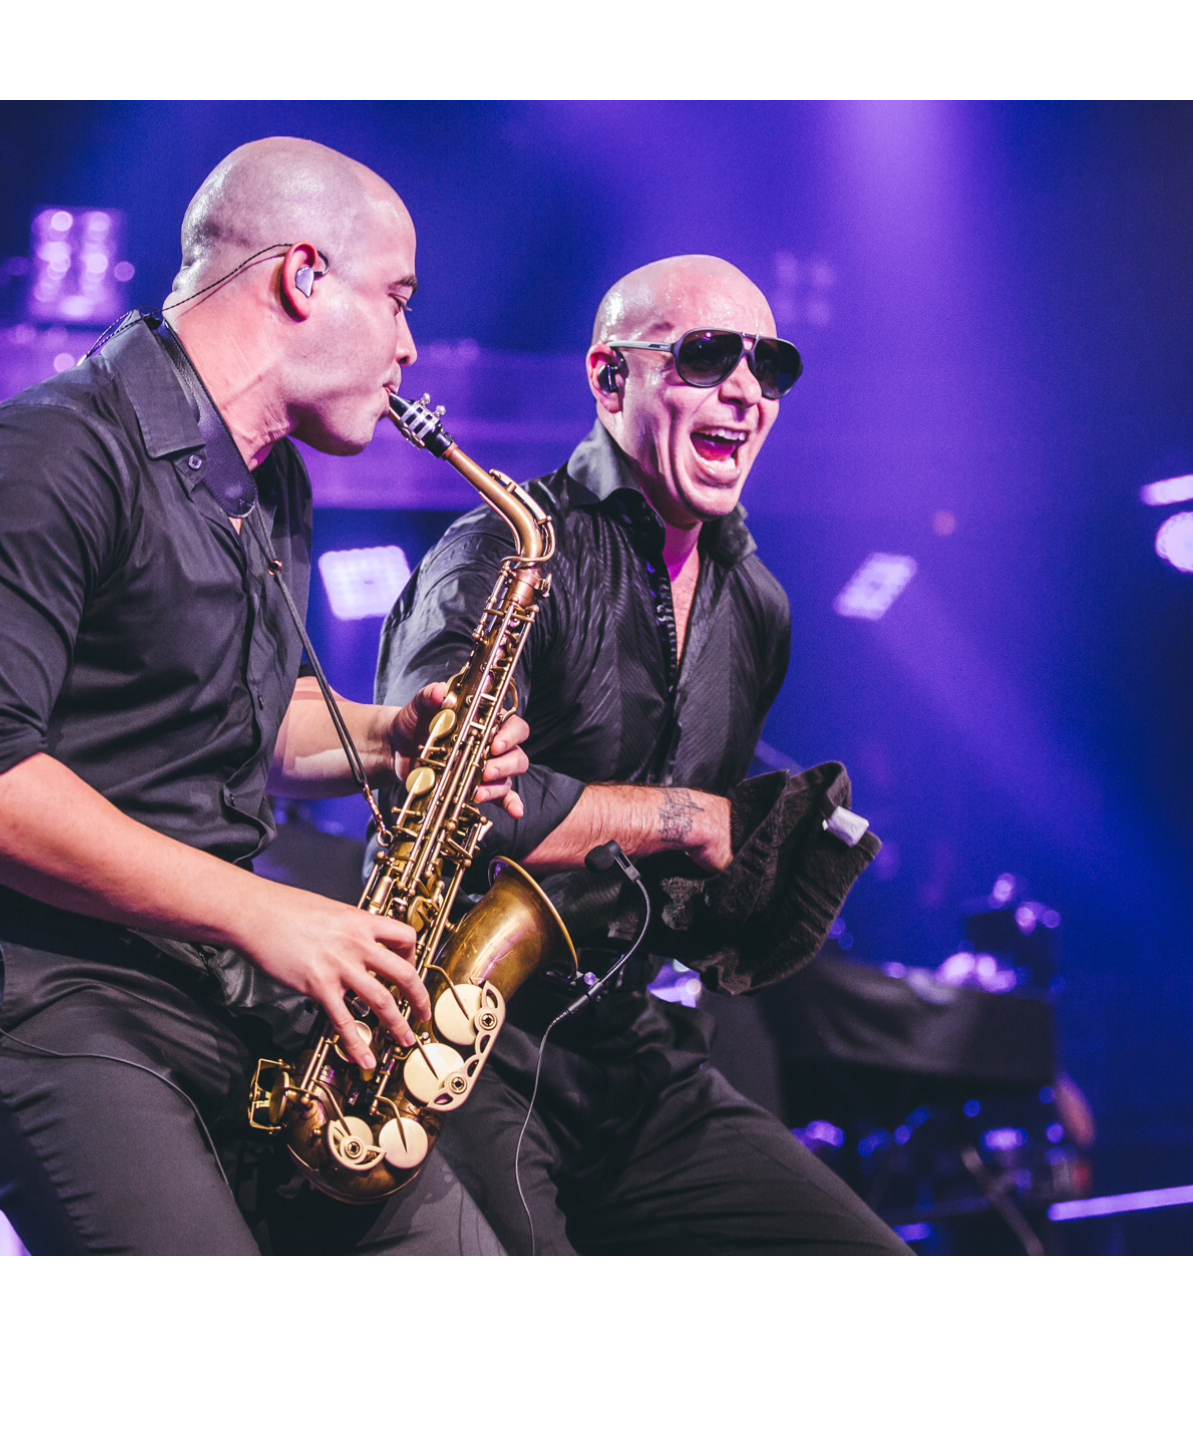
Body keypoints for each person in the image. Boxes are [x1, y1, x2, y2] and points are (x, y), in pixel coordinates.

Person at [0, 138, 528, 1254]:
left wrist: (390, 739)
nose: (410, 347)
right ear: (303, 276)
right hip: (25, 979)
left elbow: (229, 720)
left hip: (190, 971)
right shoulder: (50, 450)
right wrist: (265, 913)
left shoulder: (271, 480)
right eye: (399, 300)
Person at [373, 254, 908, 1254]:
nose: (744, 390)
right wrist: (690, 819)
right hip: (461, 1046)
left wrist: (761, 890)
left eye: (770, 367)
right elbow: (443, 806)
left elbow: (681, 883)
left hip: (635, 1052)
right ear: (609, 377)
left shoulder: (758, 606)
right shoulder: (497, 551)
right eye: (705, 356)